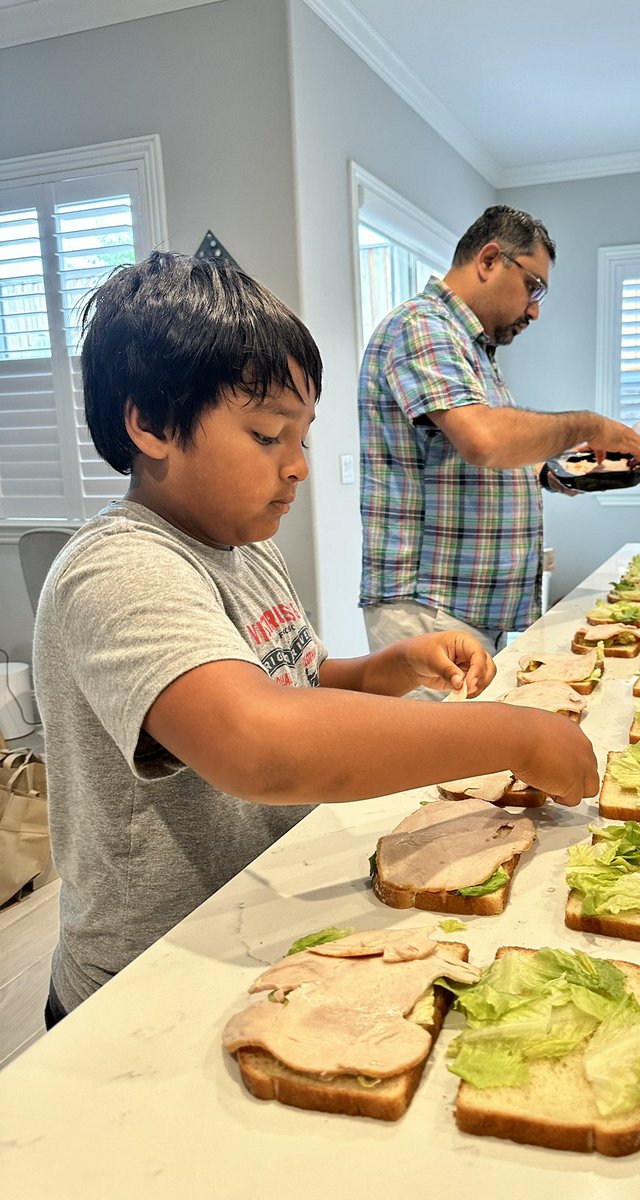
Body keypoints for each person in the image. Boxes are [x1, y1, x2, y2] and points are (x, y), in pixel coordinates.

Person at [33, 251, 599, 1027]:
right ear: (151, 423)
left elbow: (294, 681)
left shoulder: (244, 547)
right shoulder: (119, 568)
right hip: (147, 984)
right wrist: (514, 736)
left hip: (257, 922)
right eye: (269, 435)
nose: (298, 466)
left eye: (302, 436)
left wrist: (388, 668)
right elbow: (255, 739)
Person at [358, 205, 640, 670]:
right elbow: (483, 439)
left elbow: (472, 456)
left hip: (462, 609)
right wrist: (592, 425)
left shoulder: (469, 347)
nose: (534, 310)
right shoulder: (423, 327)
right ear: (489, 259)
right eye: (533, 287)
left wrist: (552, 470)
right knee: (443, 746)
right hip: (429, 610)